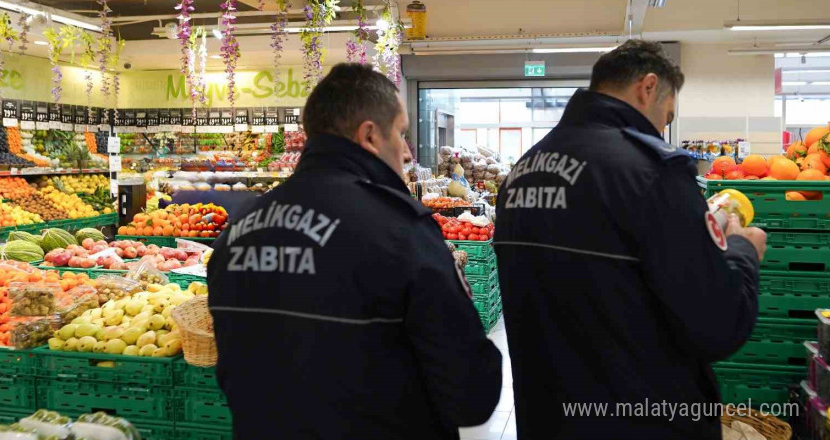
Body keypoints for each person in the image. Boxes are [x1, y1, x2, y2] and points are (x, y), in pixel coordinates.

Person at [207, 63, 502, 440]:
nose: (408, 153)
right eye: (401, 134)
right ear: (369, 136)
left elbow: (233, 371)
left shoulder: (239, 230)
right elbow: (472, 394)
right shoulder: (399, 229)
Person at [493, 40, 766, 440]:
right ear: (648, 87)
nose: (663, 129)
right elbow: (719, 325)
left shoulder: (522, 171)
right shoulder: (651, 172)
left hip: (546, 418)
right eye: (666, 117)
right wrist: (743, 249)